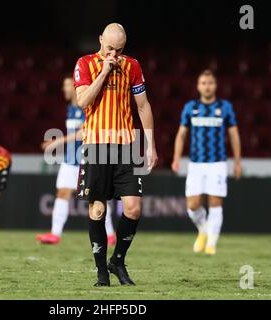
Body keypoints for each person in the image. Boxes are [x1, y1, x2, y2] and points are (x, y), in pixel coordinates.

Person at [73, 23, 158, 286]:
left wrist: (150, 145)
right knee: (98, 210)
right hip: (96, 144)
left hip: (126, 145)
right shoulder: (85, 63)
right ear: (100, 40)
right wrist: (105, 70)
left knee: (133, 209)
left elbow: (142, 106)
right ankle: (101, 272)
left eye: (119, 50)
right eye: (110, 48)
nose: (114, 54)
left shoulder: (132, 66)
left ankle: (117, 261)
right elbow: (82, 101)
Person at [36, 75, 116, 245]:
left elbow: (84, 132)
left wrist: (58, 141)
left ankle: (110, 234)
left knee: (96, 198)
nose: (64, 89)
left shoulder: (88, 106)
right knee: (62, 193)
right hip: (70, 159)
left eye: (67, 85)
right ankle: (55, 234)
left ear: (75, 87)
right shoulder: (70, 108)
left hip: (89, 158)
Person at [171, 70, 242, 255]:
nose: (207, 86)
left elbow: (234, 135)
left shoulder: (224, 107)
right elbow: (181, 134)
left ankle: (211, 244)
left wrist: (237, 162)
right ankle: (203, 229)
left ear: (215, 85)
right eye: (203, 83)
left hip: (217, 163)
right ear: (198, 86)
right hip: (196, 163)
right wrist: (176, 157)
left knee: (215, 202)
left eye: (210, 82)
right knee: (192, 205)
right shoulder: (190, 107)